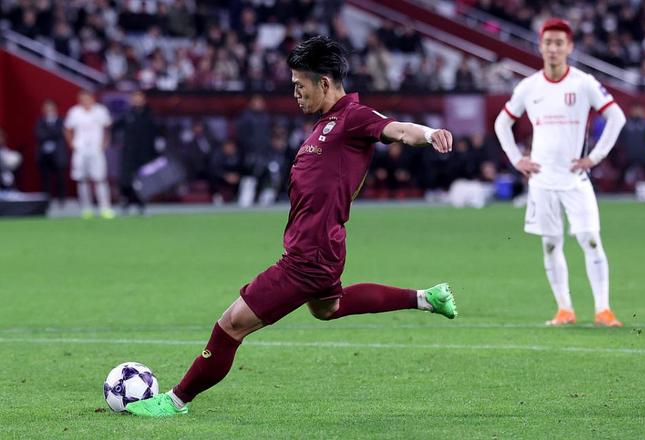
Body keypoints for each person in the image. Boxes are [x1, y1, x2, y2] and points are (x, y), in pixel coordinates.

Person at [126, 35, 457, 417]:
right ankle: (427, 298)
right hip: (322, 247)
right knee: (327, 308)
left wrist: (430, 134)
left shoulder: (353, 117)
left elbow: (398, 129)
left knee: (231, 325)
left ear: (325, 83)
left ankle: (176, 400)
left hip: (308, 257)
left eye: (300, 85)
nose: (295, 93)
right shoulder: (325, 124)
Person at [494, 18, 627, 327]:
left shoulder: (583, 83)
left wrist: (594, 157)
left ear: (569, 47)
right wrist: (516, 159)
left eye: (559, 43)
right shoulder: (529, 86)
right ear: (540, 47)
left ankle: (603, 310)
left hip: (574, 179)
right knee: (551, 244)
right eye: (548, 43)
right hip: (541, 181)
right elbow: (502, 123)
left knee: (590, 240)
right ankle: (564, 309)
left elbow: (617, 117)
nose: (553, 48)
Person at [64, 90, 115, 219]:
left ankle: (105, 208)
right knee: (82, 179)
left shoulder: (100, 111)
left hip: (96, 150)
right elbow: (67, 129)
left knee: (100, 179)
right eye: (82, 98)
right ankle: (86, 209)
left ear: (92, 98)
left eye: (87, 98)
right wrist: (72, 144)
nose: (85, 100)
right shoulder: (74, 112)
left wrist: (105, 142)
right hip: (80, 150)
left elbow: (107, 128)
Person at [114, 90, 157, 214]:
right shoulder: (127, 114)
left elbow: (155, 133)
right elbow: (115, 127)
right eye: (135, 98)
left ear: (144, 100)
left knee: (142, 179)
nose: (137, 100)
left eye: (139, 98)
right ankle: (126, 200)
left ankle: (141, 203)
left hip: (144, 152)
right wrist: (115, 142)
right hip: (129, 152)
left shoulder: (149, 114)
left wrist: (153, 150)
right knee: (125, 179)